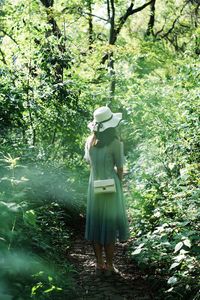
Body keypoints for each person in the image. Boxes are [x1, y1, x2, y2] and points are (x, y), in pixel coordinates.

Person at [84, 106, 129, 276]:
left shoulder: (89, 142)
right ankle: (110, 265)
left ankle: (99, 263)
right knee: (109, 224)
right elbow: (120, 168)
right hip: (111, 187)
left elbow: (89, 163)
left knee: (96, 224)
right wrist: (120, 183)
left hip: (94, 186)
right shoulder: (116, 143)